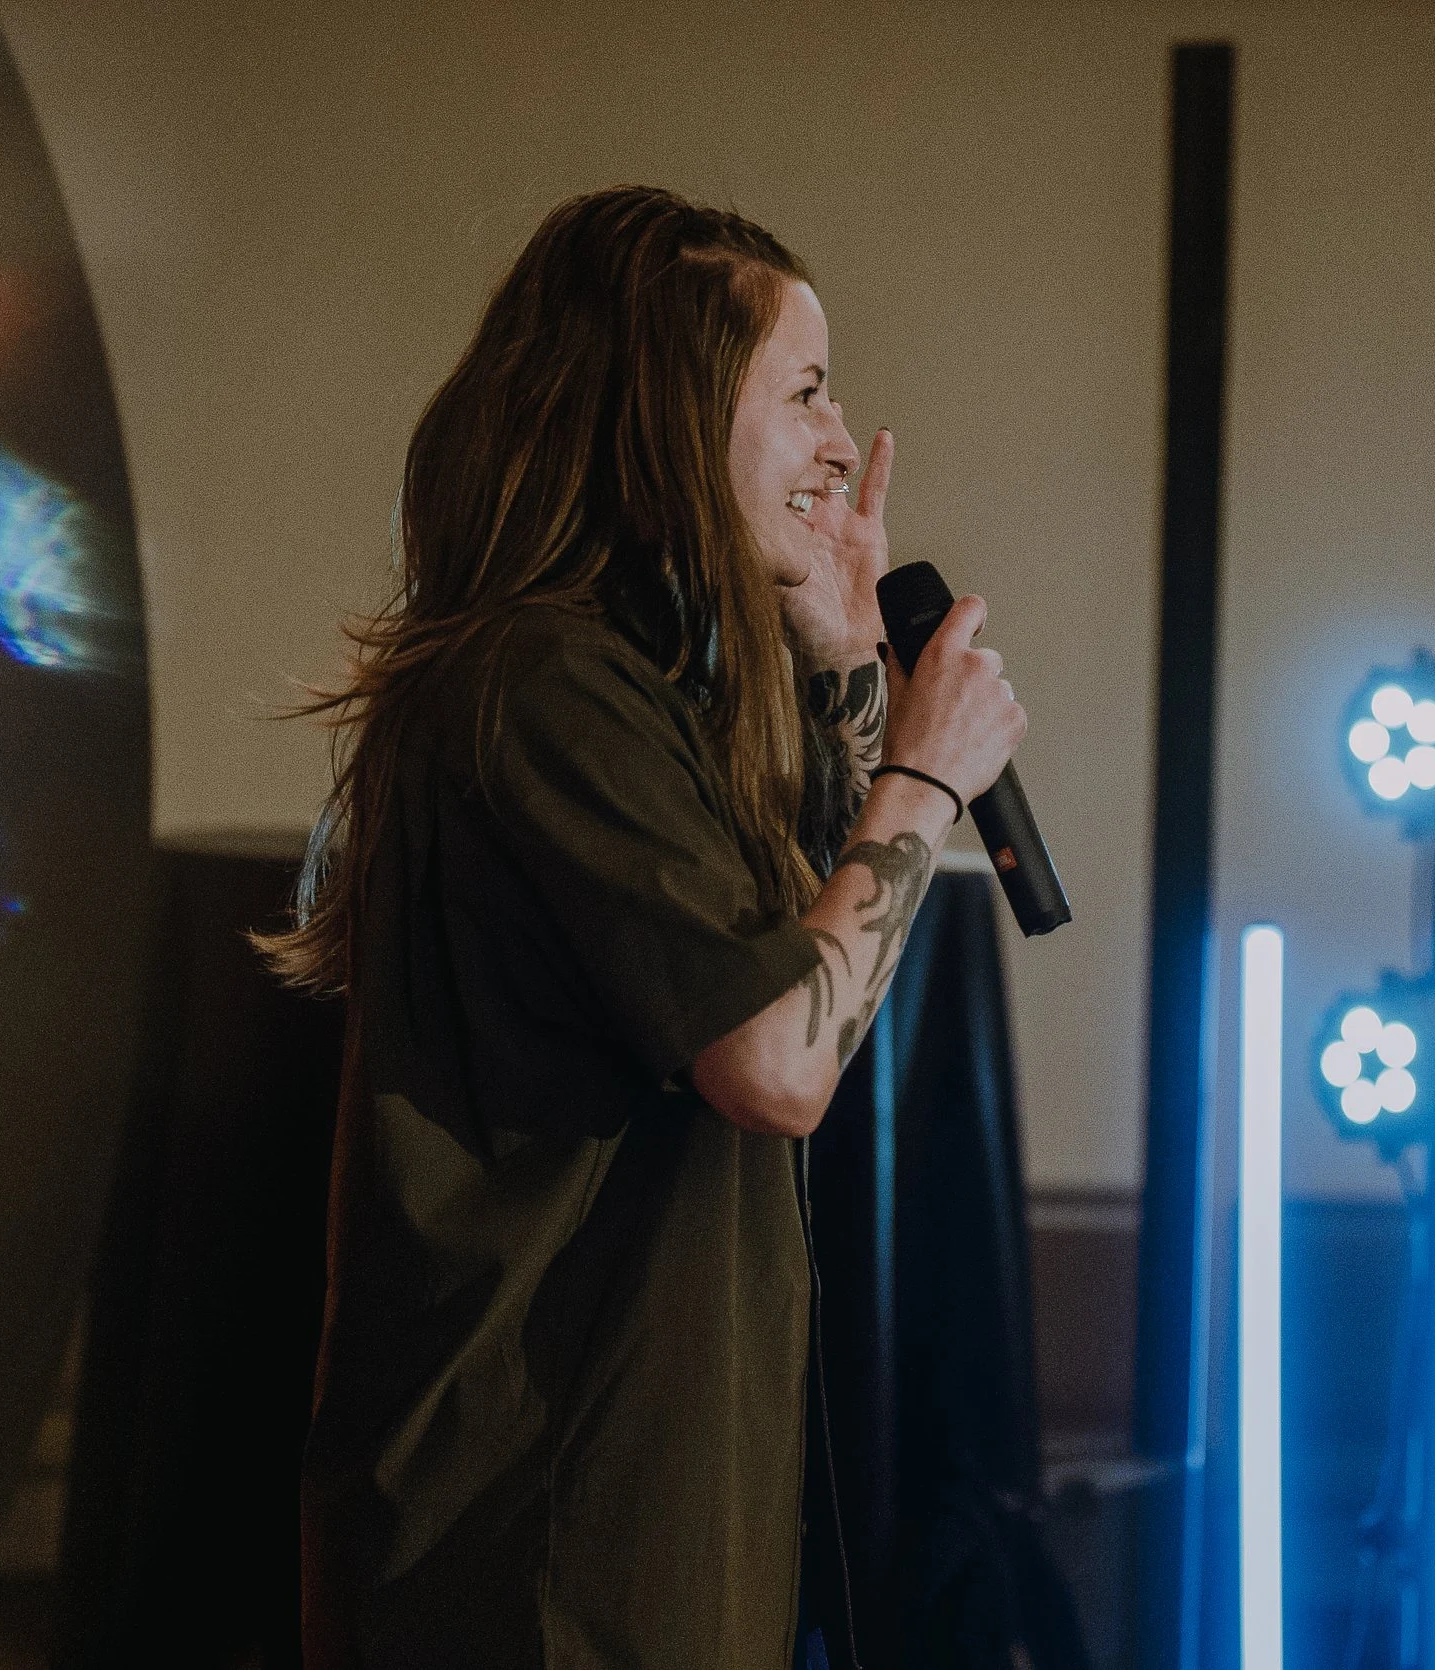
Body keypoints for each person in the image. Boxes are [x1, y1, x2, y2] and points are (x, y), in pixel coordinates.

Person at [263, 185, 1026, 1670]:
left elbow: (793, 956)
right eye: (802, 391)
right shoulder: (543, 683)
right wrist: (924, 777)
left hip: (642, 1543)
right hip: (535, 1563)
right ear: (669, 417)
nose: (836, 439)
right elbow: (776, 1060)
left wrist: (846, 670)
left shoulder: (632, 690)